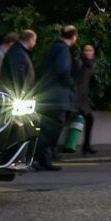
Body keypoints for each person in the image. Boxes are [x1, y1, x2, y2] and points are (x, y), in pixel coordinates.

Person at [33, 25, 78, 171]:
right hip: (57, 98)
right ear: (74, 36)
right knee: (52, 129)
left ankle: (40, 158)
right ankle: (42, 158)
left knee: (46, 129)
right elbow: (63, 70)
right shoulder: (63, 49)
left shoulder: (53, 48)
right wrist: (72, 85)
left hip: (47, 96)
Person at [71, 42, 98, 155]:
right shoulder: (79, 62)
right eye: (86, 50)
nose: (87, 52)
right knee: (61, 121)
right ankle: (50, 150)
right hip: (74, 97)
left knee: (90, 119)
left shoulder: (92, 64)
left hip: (83, 98)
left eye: (90, 50)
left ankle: (86, 146)